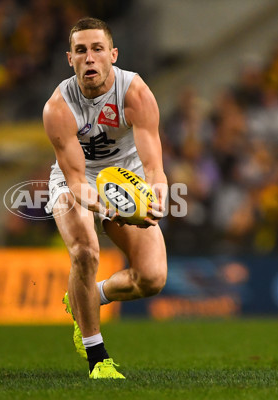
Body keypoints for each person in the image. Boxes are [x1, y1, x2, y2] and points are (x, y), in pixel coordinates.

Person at [43, 17, 168, 379]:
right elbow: (78, 182)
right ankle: (98, 358)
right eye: (81, 50)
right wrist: (115, 208)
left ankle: (85, 298)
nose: (90, 58)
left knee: (152, 278)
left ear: (113, 54)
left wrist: (155, 198)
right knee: (85, 252)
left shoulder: (135, 94)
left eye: (97, 49)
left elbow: (155, 167)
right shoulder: (57, 108)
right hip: (76, 182)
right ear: (70, 59)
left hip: (127, 178)